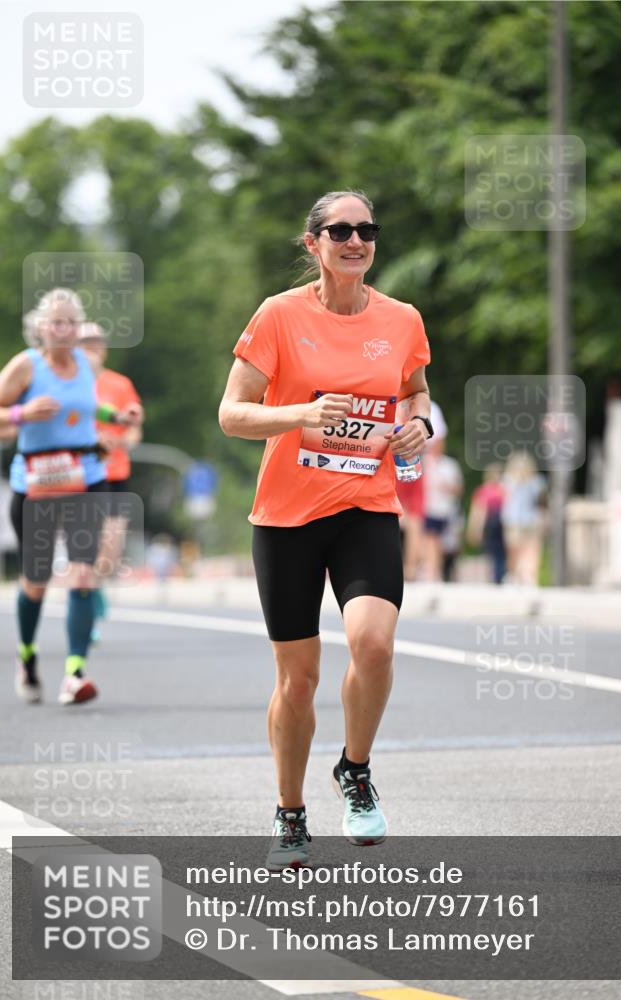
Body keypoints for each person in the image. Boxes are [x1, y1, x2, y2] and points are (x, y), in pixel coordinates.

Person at [219, 190, 432, 868]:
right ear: (312, 243)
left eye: (365, 229)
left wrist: (418, 426)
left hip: (365, 505)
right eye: (339, 229)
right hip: (286, 518)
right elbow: (231, 414)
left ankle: (355, 768)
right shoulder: (278, 317)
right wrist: (299, 416)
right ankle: (289, 813)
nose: (355, 239)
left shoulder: (400, 320)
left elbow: (416, 390)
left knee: (372, 646)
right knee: (299, 680)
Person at [0, 289, 140, 705]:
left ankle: (75, 672)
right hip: (36, 482)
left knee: (82, 573)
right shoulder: (25, 366)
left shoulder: (87, 365)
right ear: (40, 327)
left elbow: (92, 409)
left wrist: (119, 417)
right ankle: (26, 656)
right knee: (35, 581)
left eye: (72, 323)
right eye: (57, 322)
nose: (65, 329)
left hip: (84, 478)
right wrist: (22, 413)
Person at [78, 322, 143, 639]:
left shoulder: (120, 384)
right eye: (84, 342)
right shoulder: (70, 384)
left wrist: (124, 440)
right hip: (81, 475)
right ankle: (87, 609)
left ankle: (97, 588)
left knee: (111, 548)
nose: (91, 347)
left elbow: (134, 427)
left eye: (95, 342)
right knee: (89, 547)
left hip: (115, 473)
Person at [421, 416, 463, 581]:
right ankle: (430, 571)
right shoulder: (425, 462)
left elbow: (458, 488)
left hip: (444, 509)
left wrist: (448, 487)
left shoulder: (449, 465)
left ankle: (434, 571)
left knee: (439, 543)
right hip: (427, 507)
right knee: (428, 539)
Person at [501, 452, 547, 585]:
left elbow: (541, 504)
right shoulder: (508, 480)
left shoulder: (536, 482)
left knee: (532, 550)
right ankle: (514, 575)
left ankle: (529, 577)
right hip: (514, 521)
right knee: (515, 551)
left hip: (531, 520)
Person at [467, 463, 507, 584]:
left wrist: (474, 528)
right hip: (493, 525)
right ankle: (497, 576)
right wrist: (475, 529)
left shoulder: (497, 490)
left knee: (496, 553)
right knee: (495, 554)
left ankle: (498, 576)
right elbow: (479, 511)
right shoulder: (494, 490)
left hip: (497, 525)